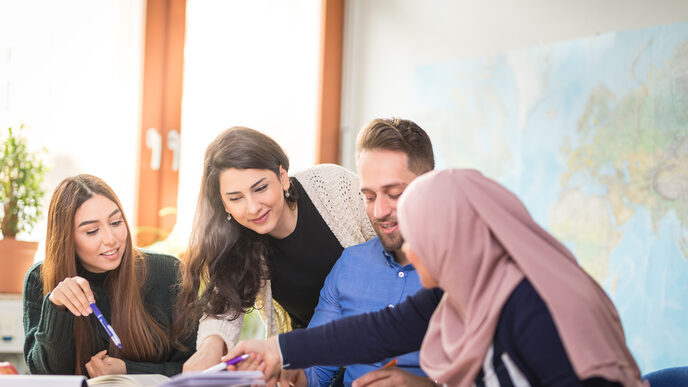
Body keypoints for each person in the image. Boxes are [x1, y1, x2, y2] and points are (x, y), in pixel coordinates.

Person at [226, 169, 647, 387]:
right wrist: (278, 348)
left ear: (457, 238)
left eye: (422, 240)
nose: (411, 255)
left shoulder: (540, 309)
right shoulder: (473, 287)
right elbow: (382, 330)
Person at [175, 127, 376, 371]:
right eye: (235, 198)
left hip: (379, 342)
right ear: (224, 204)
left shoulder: (332, 186)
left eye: (260, 188)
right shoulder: (237, 241)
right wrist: (209, 348)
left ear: (282, 177)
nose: (253, 208)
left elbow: (395, 247)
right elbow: (223, 307)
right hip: (315, 364)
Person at [302, 118, 434, 386]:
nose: (379, 212)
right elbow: (315, 368)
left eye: (394, 193)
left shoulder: (468, 269)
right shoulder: (350, 264)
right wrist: (286, 374)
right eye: (369, 196)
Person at [23, 175, 194, 376]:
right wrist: (57, 307)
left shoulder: (169, 272)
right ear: (66, 238)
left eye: (115, 222)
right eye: (92, 231)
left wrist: (129, 370)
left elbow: (198, 368)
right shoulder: (40, 279)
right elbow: (45, 376)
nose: (111, 239)